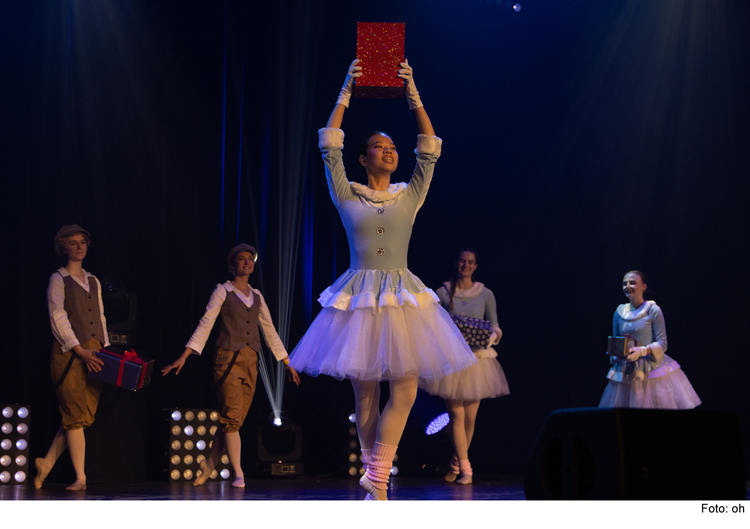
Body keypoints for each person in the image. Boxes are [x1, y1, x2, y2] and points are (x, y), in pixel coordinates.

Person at [289, 59, 476, 500]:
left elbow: (428, 148)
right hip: (357, 297)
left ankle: (377, 471)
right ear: (363, 157)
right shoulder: (345, 191)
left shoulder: (408, 194)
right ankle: (378, 483)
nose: (388, 150)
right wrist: (345, 92)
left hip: (401, 296)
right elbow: (328, 147)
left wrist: (413, 93)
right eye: (378, 145)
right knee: (366, 395)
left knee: (406, 388)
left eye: (392, 146)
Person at [162, 244, 300, 488]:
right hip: (227, 360)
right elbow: (206, 324)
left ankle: (208, 466)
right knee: (232, 420)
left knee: (232, 421)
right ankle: (239, 474)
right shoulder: (222, 291)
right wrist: (185, 355)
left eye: (250, 259)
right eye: (241, 259)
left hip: (251, 362)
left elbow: (269, 330)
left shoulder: (257, 295)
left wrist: (287, 362)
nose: (246, 262)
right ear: (232, 264)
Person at [421, 249, 509, 484]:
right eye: (462, 261)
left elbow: (496, 326)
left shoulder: (486, 293)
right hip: (452, 361)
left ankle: (455, 464)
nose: (466, 265)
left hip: (478, 360)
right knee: (456, 415)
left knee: (470, 419)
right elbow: (433, 323)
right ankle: (467, 470)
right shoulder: (442, 291)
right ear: (456, 262)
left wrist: (491, 336)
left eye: (470, 262)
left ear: (476, 266)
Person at [35, 224, 108, 491]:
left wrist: (106, 349)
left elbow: (100, 315)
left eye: (83, 242)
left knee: (81, 415)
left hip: (96, 351)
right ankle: (81, 477)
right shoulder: (58, 279)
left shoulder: (93, 280)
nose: (79, 247)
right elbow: (58, 317)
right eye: (74, 243)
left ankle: (46, 464)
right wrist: (79, 350)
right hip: (69, 353)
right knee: (75, 414)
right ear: (64, 247)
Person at [598, 270, 700, 409]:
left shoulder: (653, 310)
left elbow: (663, 344)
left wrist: (641, 351)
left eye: (632, 283)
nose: (627, 286)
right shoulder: (620, 312)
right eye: (625, 283)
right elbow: (617, 342)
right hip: (627, 370)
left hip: (650, 368)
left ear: (644, 287)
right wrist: (616, 355)